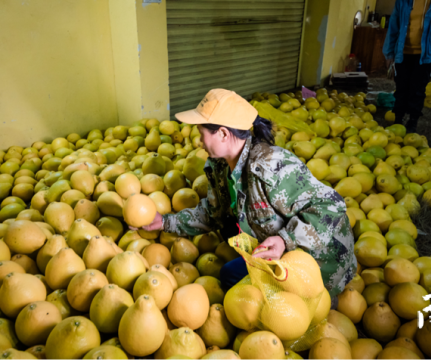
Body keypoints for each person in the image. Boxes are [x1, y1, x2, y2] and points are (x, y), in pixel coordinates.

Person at [135, 89, 357, 300]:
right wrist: (165, 222)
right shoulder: (220, 166)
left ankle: (325, 296)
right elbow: (213, 214)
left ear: (223, 133)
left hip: (318, 259)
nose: (199, 142)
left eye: (202, 134)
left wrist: (284, 240)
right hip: (275, 253)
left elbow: (331, 206)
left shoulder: (271, 165)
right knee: (229, 274)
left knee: (275, 313)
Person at [383, 0, 431, 133]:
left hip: (425, 55)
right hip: (402, 52)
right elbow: (394, 24)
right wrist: (389, 53)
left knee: (417, 89)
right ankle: (398, 119)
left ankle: (412, 121)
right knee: (401, 87)